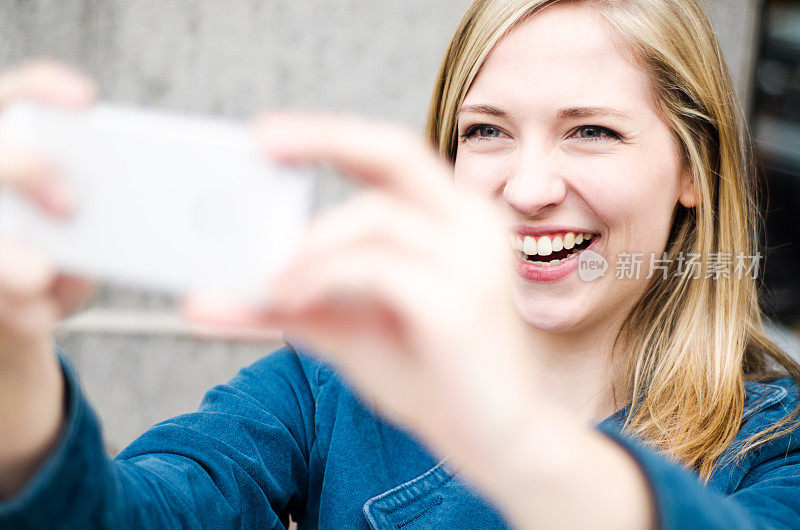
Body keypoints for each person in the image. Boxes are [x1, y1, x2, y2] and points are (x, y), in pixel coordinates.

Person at [1, 0, 799, 527]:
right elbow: (132, 510)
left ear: (695, 169)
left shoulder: (777, 444)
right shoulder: (331, 386)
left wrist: (509, 440)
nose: (527, 188)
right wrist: (14, 362)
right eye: (486, 131)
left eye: (592, 130)